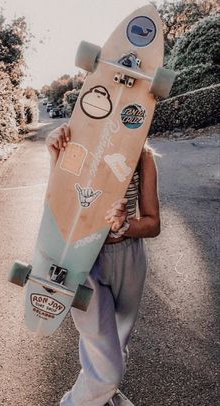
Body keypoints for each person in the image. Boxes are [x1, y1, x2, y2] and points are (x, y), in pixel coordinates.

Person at [46, 122, 160, 406]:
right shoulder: (77, 144)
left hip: (128, 256)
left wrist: (124, 226)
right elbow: (58, 206)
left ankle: (104, 400)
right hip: (83, 258)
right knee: (103, 357)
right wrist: (55, 157)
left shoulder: (143, 156)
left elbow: (153, 224)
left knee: (115, 345)